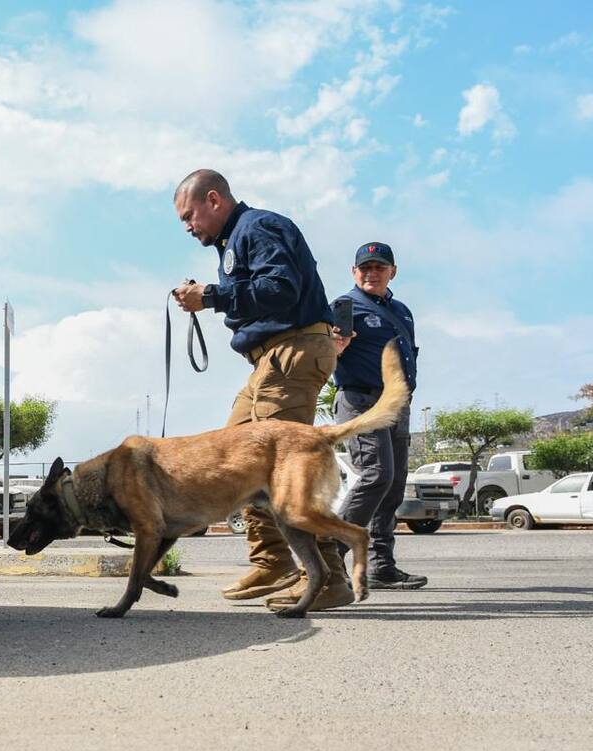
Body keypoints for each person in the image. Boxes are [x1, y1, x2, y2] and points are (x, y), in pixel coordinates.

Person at [171, 169, 351, 612]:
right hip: (270, 362)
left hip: (291, 353)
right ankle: (272, 560)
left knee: (281, 469)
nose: (189, 227)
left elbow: (279, 290)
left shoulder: (260, 227)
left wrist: (211, 295)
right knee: (237, 462)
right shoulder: (235, 241)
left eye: (189, 216)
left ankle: (328, 577)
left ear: (214, 200)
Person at [331, 242, 426, 589]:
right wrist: (335, 346)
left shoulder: (402, 310)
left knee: (394, 485)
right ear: (354, 272)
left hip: (396, 405)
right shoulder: (344, 307)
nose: (372, 273)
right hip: (360, 400)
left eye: (379, 267)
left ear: (392, 272)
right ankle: (329, 555)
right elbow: (328, 353)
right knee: (377, 475)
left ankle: (381, 566)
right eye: (365, 268)